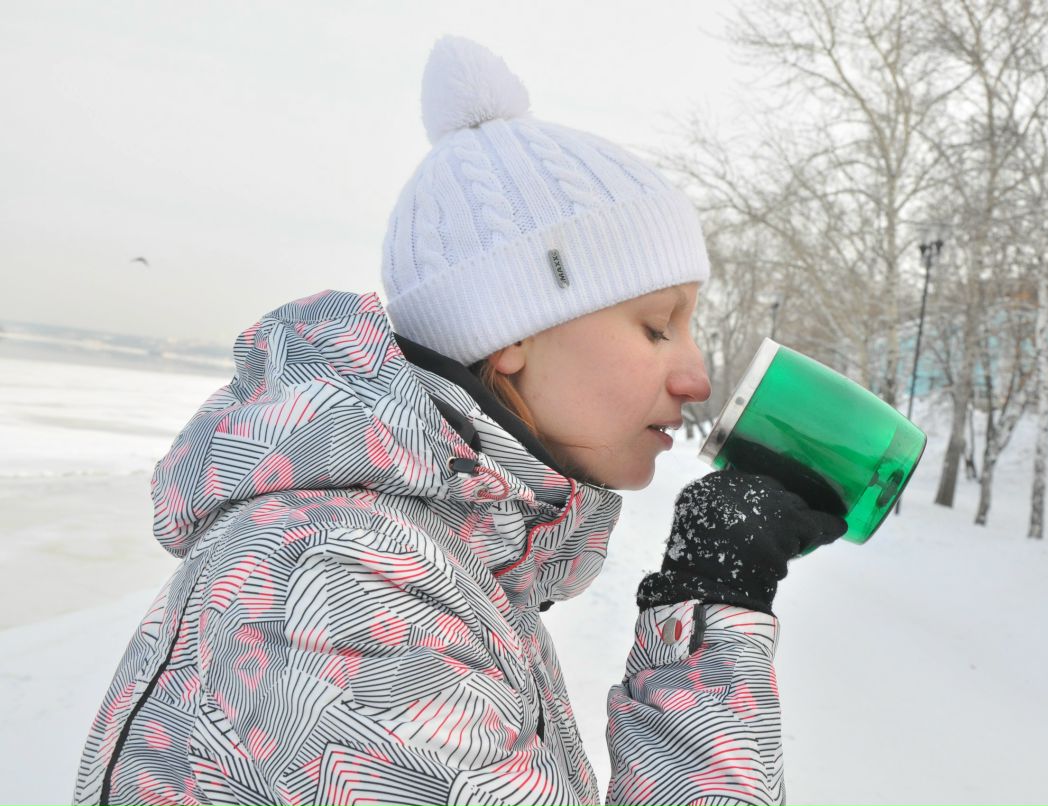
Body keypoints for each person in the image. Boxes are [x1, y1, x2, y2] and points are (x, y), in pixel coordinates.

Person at [72, 37, 844, 806]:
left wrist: (704, 600)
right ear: (510, 337)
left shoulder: (435, 545)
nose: (697, 375)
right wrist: (712, 605)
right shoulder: (340, 583)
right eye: (655, 326)